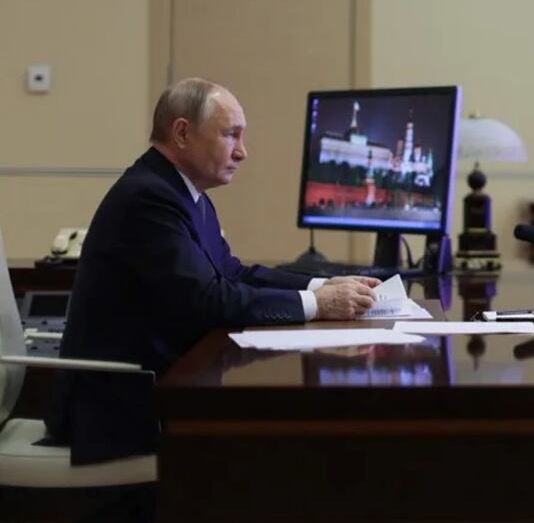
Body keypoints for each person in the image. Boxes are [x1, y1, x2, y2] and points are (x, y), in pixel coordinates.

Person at [46, 78, 380, 466]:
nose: (243, 152)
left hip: (157, 386)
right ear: (183, 133)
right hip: (118, 410)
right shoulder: (149, 199)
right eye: (231, 135)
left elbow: (232, 273)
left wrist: (323, 285)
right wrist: (316, 304)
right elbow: (207, 300)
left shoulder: (184, 193)